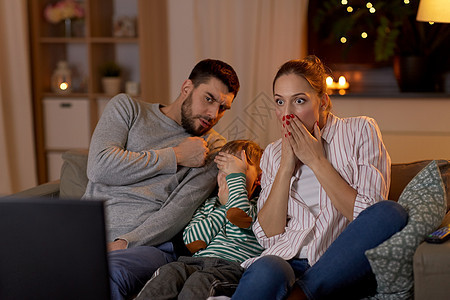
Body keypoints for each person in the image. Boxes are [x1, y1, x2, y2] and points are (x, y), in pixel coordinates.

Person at [230, 56, 408, 300]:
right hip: (286, 262)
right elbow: (266, 234)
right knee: (268, 267)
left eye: (299, 101)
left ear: (323, 102)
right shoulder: (272, 153)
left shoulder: (360, 131)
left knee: (390, 213)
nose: (287, 114)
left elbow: (368, 216)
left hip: (338, 264)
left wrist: (316, 161)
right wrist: (285, 166)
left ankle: (301, 295)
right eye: (279, 102)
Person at [81, 59, 240, 300]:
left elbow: (177, 211)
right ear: (187, 88)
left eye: (223, 108)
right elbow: (99, 167)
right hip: (85, 233)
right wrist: (175, 156)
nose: (213, 114)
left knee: (105, 273)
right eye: (208, 99)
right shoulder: (127, 109)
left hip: (147, 246)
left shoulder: (213, 147)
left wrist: (124, 243)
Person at [134, 140, 265, 299]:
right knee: (169, 272)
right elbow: (192, 241)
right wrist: (223, 208)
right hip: (194, 262)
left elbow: (240, 215)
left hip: (230, 269)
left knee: (200, 281)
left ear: (259, 178)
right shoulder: (209, 204)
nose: (228, 177)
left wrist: (232, 197)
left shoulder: (260, 206)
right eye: (223, 170)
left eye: (237, 171)